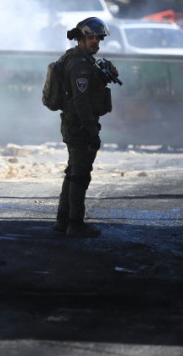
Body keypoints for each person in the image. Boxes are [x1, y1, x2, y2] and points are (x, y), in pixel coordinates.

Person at [53, 17, 118, 237]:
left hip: (75, 124)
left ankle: (63, 220)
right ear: (81, 39)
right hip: (79, 125)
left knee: (73, 172)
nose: (96, 42)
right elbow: (81, 101)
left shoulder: (81, 59)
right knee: (80, 175)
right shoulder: (80, 64)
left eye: (98, 38)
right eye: (91, 37)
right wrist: (92, 132)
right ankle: (75, 223)